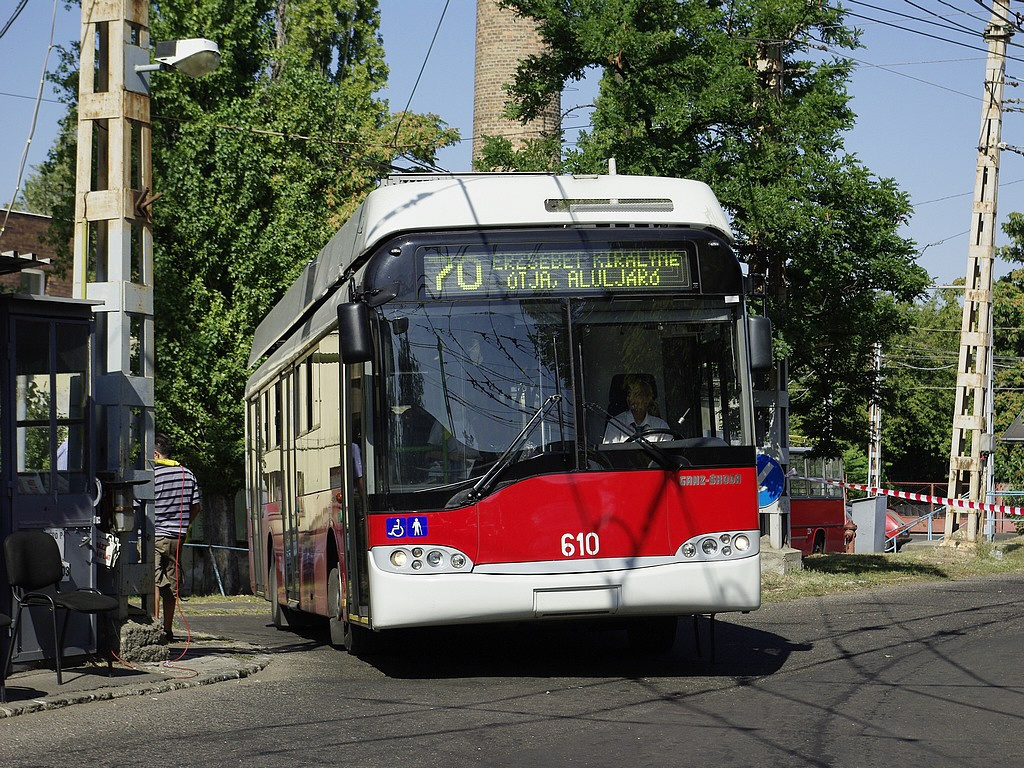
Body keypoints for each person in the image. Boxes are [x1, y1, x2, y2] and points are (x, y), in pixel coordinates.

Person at [152, 432, 201, 643]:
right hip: (178, 537)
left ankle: (153, 627)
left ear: (155, 454)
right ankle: (168, 629)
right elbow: (196, 507)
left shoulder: (151, 475)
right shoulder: (187, 474)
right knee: (172, 583)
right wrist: (183, 524)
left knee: (153, 582)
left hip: (154, 536)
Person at [603, 376, 671, 443]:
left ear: (647, 398)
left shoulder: (661, 426)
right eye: (629, 394)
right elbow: (609, 452)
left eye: (636, 394)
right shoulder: (615, 424)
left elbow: (668, 452)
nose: (631, 398)